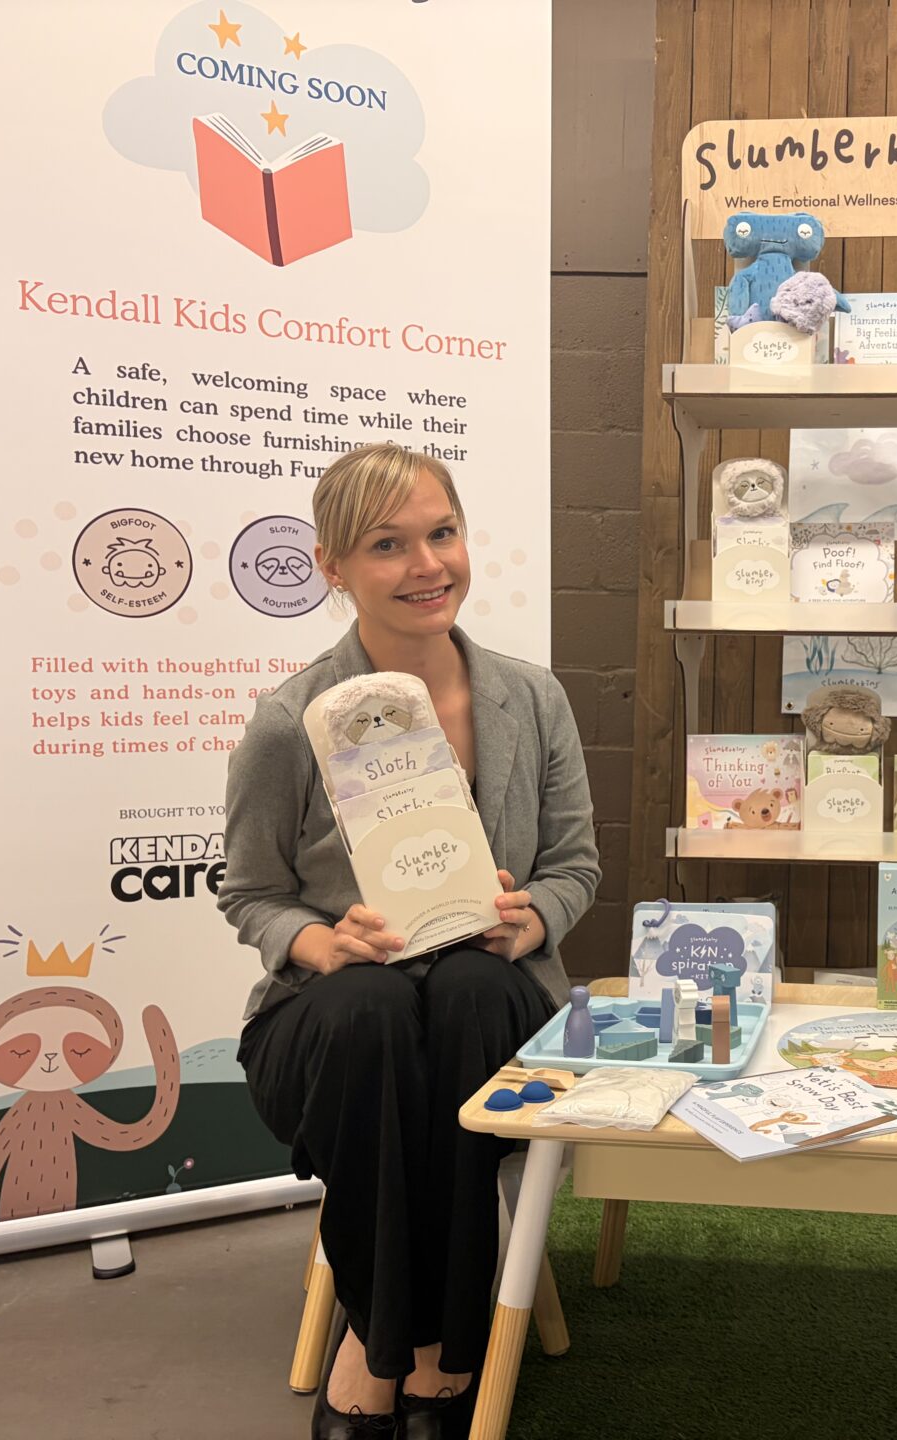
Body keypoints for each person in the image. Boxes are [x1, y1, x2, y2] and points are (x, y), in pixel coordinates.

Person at [219, 442, 600, 1439]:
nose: (428, 565)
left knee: (470, 990)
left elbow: (575, 867)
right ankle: (417, 1347)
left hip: (490, 1010)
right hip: (337, 1032)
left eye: (443, 533)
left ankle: (398, 1348)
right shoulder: (290, 721)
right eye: (388, 545)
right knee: (376, 1007)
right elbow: (251, 893)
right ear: (333, 566)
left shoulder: (532, 699)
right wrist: (320, 943)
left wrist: (532, 920)